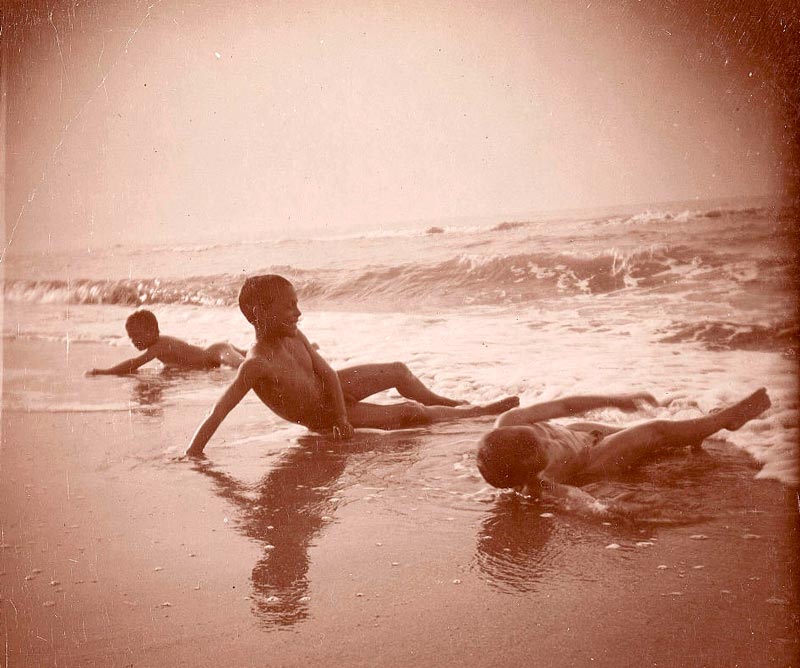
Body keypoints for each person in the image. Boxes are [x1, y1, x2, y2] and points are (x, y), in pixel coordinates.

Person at [184, 275, 519, 456]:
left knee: (397, 370)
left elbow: (328, 373)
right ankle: (476, 413)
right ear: (259, 313)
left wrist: (344, 410)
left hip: (335, 392)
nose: (298, 313)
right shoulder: (256, 365)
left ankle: (450, 402)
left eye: (297, 304)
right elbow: (219, 411)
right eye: (289, 307)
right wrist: (193, 453)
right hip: (324, 416)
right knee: (408, 411)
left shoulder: (295, 335)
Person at [476, 388, 771, 515]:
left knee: (659, 443)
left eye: (543, 434)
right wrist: (609, 511)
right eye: (548, 451)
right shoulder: (540, 485)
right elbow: (577, 499)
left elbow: (565, 407)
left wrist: (615, 400)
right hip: (593, 460)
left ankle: (696, 434)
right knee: (653, 432)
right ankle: (725, 420)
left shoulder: (509, 420)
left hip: (583, 433)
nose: (552, 439)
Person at [86, 309, 246, 376]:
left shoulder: (160, 345)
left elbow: (135, 363)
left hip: (216, 352)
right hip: (214, 355)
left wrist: (105, 372)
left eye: (136, 335)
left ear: (152, 330)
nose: (133, 340)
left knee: (243, 365)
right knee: (251, 355)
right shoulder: (158, 345)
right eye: (130, 337)